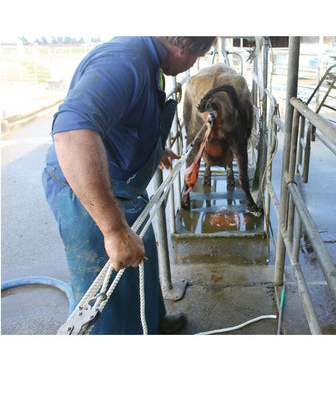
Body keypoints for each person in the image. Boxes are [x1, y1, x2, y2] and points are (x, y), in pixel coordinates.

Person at [42, 36, 217, 334]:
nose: (194, 63)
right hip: (89, 196)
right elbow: (72, 132)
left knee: (142, 260)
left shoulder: (150, 61)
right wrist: (113, 229)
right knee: (108, 289)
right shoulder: (124, 62)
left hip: (125, 189)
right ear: (183, 46)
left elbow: (125, 115)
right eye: (198, 55)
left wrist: (153, 149)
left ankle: (150, 321)